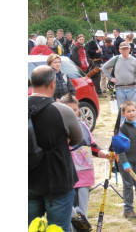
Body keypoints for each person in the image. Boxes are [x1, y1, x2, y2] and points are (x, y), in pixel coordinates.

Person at [28, 65, 83, 232]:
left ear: (31, 82)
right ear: (52, 84)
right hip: (57, 179)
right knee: (58, 229)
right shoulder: (62, 110)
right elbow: (77, 138)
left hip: (28, 181)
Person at [59, 94, 110, 230]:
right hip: (68, 178)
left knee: (82, 216)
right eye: (68, 109)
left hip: (85, 178)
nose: (72, 112)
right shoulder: (58, 129)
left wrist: (105, 154)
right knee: (71, 215)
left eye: (75, 109)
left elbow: (92, 146)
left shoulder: (84, 126)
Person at [101, 42, 136, 114]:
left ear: (129, 49)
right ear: (120, 50)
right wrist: (110, 78)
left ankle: (134, 125)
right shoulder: (116, 59)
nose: (125, 50)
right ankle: (122, 125)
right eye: (123, 49)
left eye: (126, 49)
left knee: (133, 111)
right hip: (119, 89)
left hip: (132, 89)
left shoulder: (135, 61)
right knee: (122, 111)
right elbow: (104, 67)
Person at [86, 30, 106, 97]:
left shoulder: (98, 42)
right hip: (94, 62)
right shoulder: (92, 42)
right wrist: (96, 51)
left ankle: (97, 92)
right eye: (101, 36)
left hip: (98, 61)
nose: (102, 37)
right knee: (96, 78)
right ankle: (97, 92)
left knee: (97, 77)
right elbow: (89, 51)